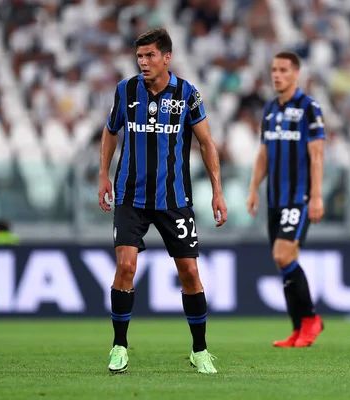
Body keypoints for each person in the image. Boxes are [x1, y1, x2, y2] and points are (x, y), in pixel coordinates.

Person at [97, 28, 227, 374]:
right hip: (130, 196)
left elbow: (207, 143)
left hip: (174, 198)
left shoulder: (186, 94)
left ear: (166, 57)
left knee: (189, 272)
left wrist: (217, 190)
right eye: (139, 56)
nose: (143, 62)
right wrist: (102, 175)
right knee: (125, 267)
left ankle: (200, 350)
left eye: (150, 55)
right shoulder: (125, 90)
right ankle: (119, 346)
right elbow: (111, 131)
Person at [246, 51, 325, 348]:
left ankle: (312, 319)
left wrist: (316, 196)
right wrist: (254, 188)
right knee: (284, 263)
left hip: (298, 197)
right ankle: (297, 328)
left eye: (282, 70)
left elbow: (317, 155)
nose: (276, 74)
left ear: (296, 74)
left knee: (283, 255)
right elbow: (264, 154)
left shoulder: (309, 108)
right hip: (274, 198)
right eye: (273, 70)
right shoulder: (269, 110)